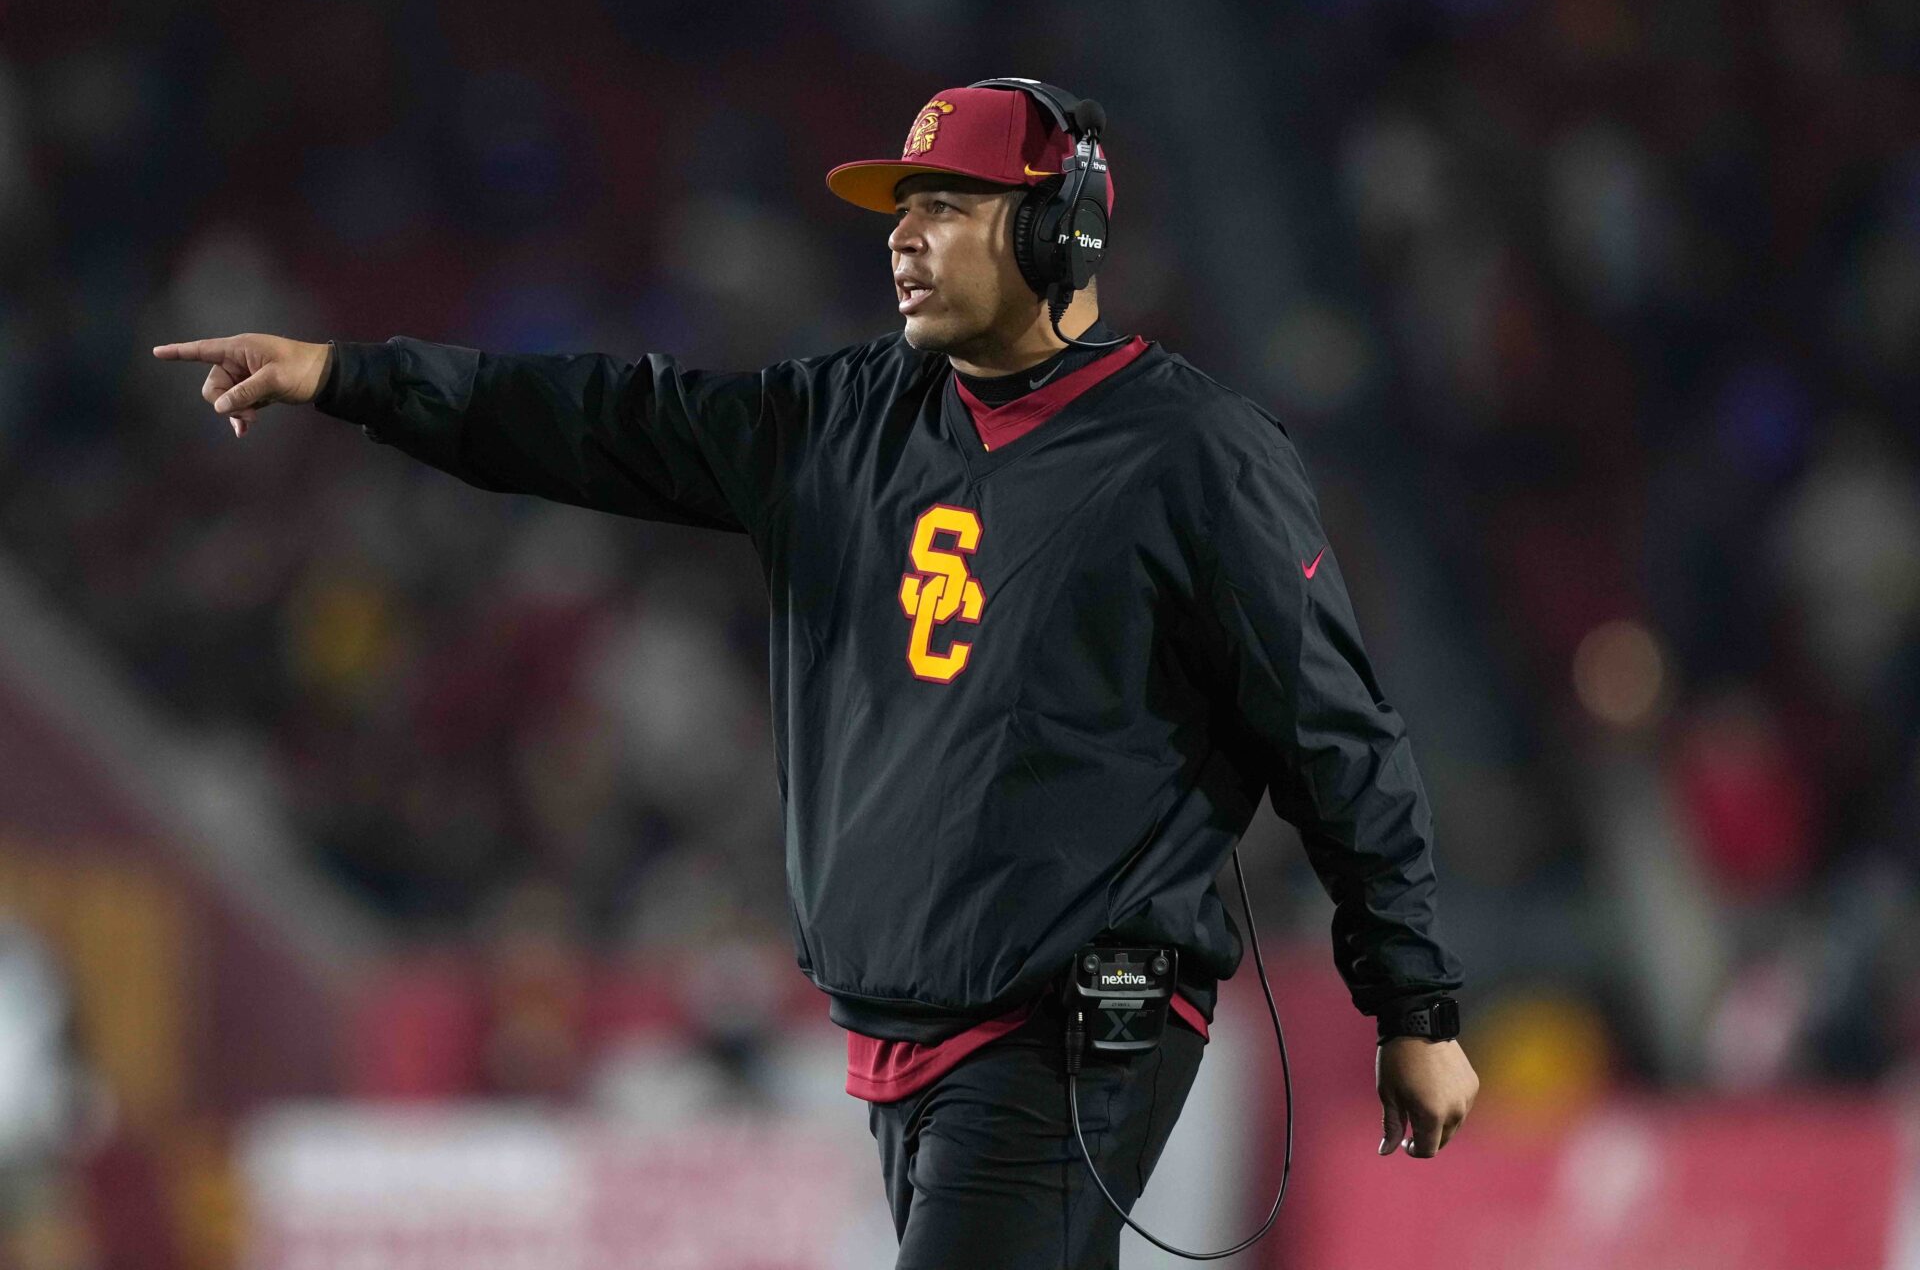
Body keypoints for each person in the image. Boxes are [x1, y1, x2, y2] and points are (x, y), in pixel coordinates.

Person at [154, 78, 1478, 1268]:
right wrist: (350, 378)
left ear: (1057, 230)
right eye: (902, 209)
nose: (902, 236)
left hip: (1066, 1035)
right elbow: (599, 421)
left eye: (949, 207)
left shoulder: (1195, 453)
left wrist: (1410, 1005)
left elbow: (1336, 732)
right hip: (900, 1043)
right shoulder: (842, 421)